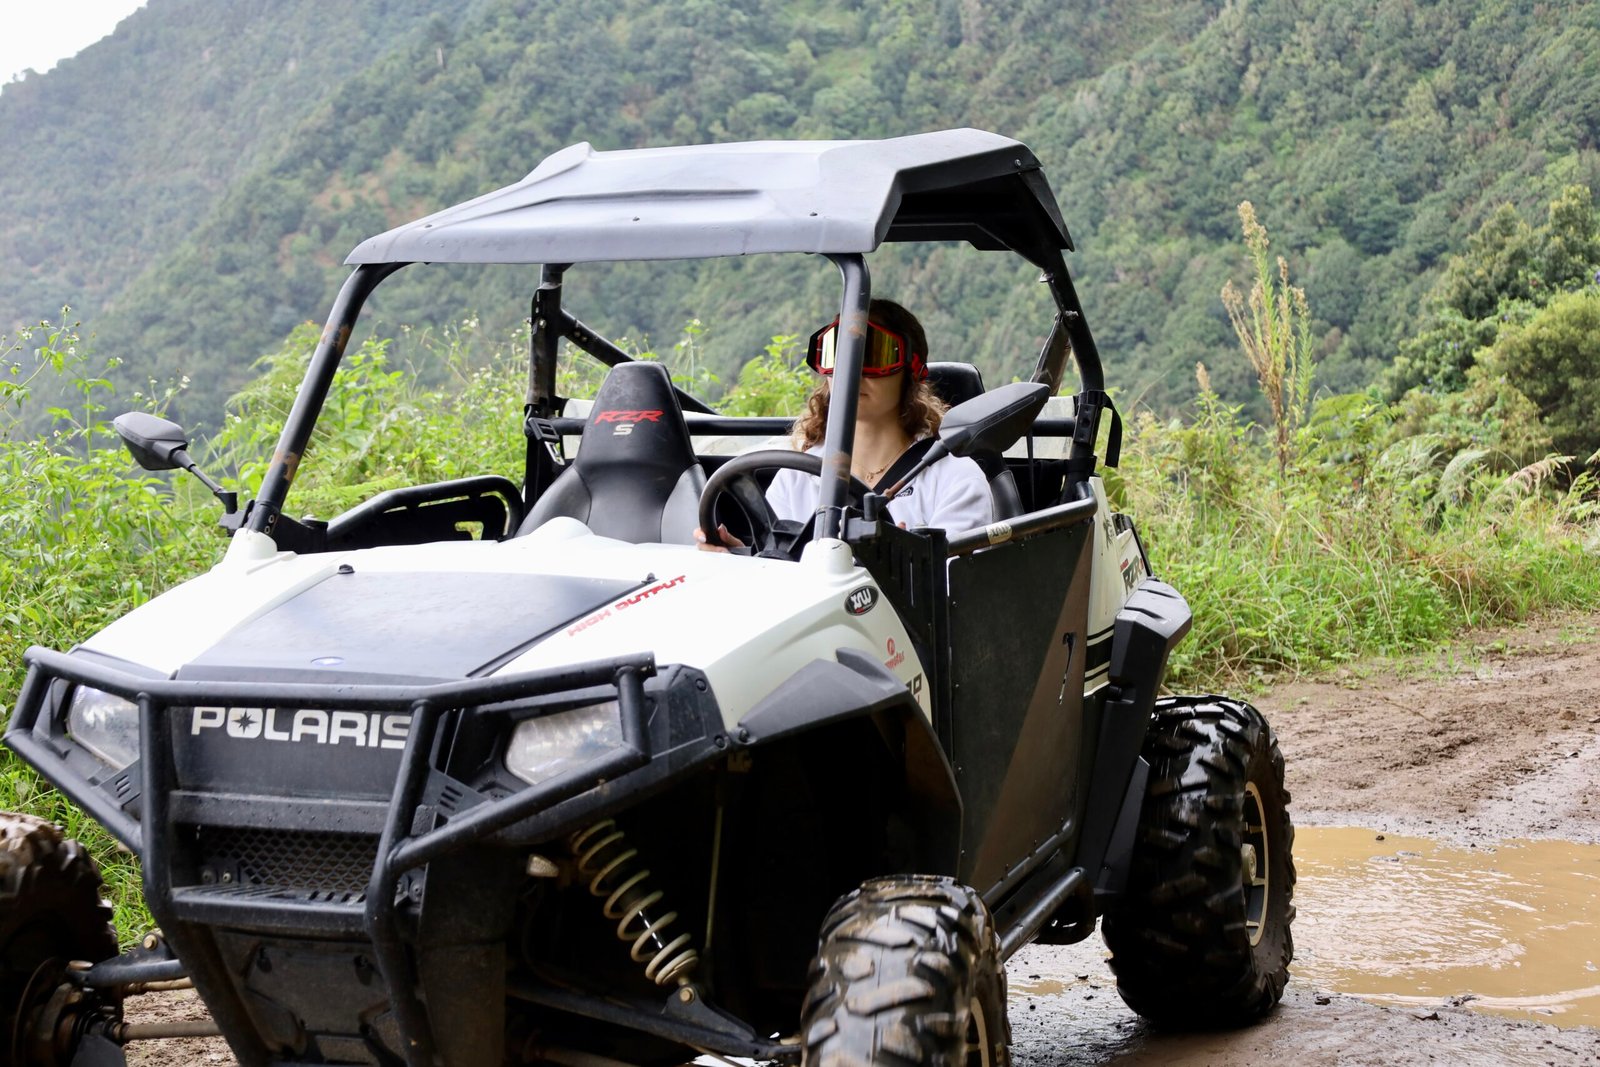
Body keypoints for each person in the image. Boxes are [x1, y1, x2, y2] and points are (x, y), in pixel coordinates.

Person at [697, 299, 992, 551]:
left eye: (872, 354)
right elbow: (779, 568)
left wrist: (902, 566)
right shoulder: (797, 475)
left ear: (912, 368)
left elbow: (951, 594)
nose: (850, 370)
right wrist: (742, 557)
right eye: (836, 353)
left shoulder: (955, 478)